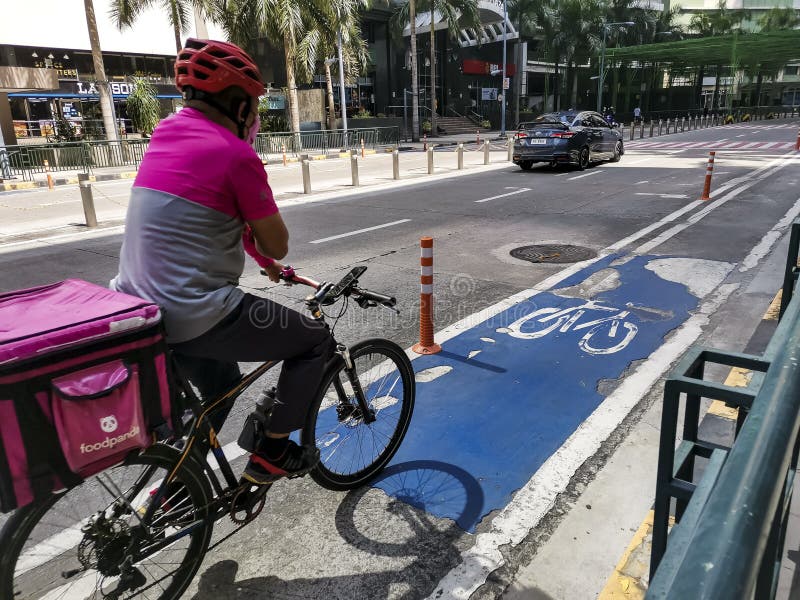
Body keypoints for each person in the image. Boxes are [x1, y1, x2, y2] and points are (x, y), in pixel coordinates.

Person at [111, 38, 333, 486]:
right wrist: (270, 254)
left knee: (219, 390)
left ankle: (176, 492)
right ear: (236, 103)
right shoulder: (237, 156)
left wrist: (261, 262)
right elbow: (278, 241)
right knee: (315, 341)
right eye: (253, 105)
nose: (254, 117)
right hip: (197, 313)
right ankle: (271, 452)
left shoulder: (163, 136)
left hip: (139, 310)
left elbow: (212, 217)